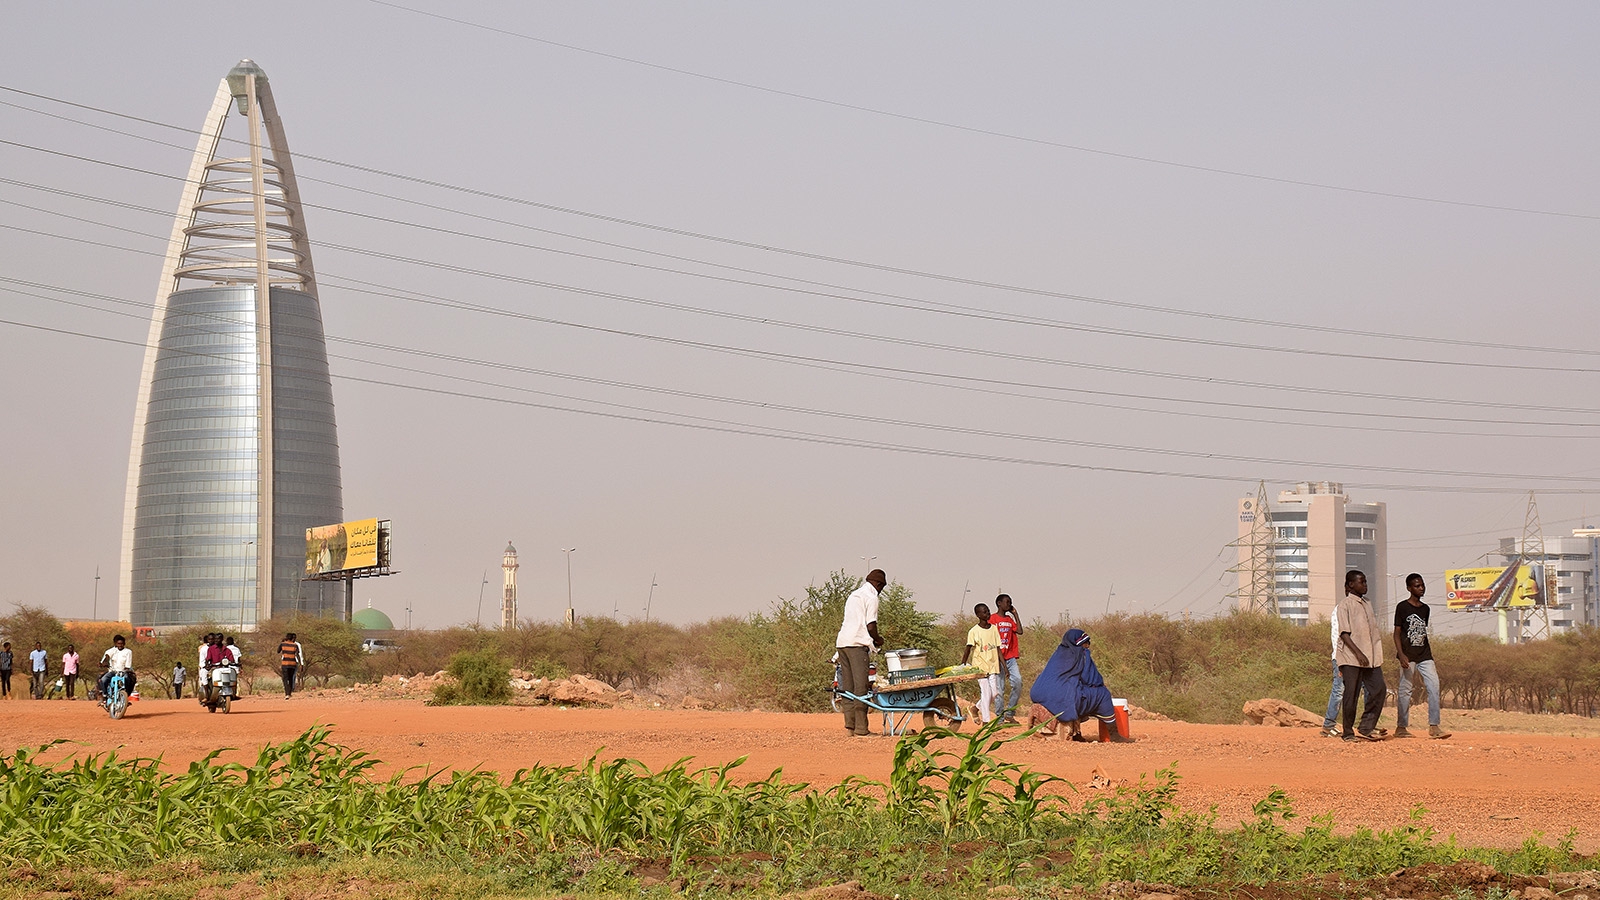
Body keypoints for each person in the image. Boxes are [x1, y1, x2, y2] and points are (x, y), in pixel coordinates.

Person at [1029, 628, 1131, 742]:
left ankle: (1076, 733)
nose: (1088, 646)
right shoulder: (1082, 654)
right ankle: (1114, 735)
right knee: (1102, 694)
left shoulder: (1058, 653)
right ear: (1080, 643)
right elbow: (1092, 679)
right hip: (1059, 695)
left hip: (1038, 694)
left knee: (1076, 689)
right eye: (1086, 643)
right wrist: (1101, 685)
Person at [1394, 573, 1452, 740]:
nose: (1421, 588)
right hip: (1408, 656)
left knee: (1434, 686)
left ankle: (1434, 726)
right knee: (1405, 690)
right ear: (1409, 588)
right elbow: (1397, 633)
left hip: (1425, 654)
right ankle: (1401, 727)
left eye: (1422, 585)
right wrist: (1401, 654)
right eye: (1417, 586)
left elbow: (1422, 631)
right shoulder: (1402, 607)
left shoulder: (1426, 609)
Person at [835, 568, 886, 737]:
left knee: (847, 687)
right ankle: (862, 729)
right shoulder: (871, 597)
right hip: (857, 645)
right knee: (860, 687)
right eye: (882, 587)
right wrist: (878, 640)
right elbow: (871, 626)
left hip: (842, 643)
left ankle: (850, 727)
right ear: (878, 584)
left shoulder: (854, 595)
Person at [1336, 570, 1386, 742]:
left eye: (1365, 582)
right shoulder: (1345, 605)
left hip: (1371, 658)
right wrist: (1358, 653)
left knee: (1379, 689)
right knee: (1352, 694)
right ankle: (1347, 733)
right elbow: (1344, 634)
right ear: (1351, 585)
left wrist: (1369, 654)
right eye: (1362, 582)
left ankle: (1365, 728)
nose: (1365, 585)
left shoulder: (1367, 603)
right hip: (1351, 657)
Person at [961, 602, 1003, 724]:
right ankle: (986, 721)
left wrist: (1004, 666)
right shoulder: (974, 631)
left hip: (993, 666)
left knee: (994, 693)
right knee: (986, 693)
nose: (988, 613)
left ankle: (975, 708)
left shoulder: (994, 629)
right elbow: (968, 648)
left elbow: (998, 649)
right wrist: (963, 664)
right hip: (980, 667)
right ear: (978, 615)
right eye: (984, 612)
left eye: (988, 611)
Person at [992, 594, 1023, 724]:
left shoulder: (1010, 620)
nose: (1009, 604)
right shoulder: (992, 619)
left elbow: (1020, 631)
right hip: (997, 658)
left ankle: (1010, 713)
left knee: (1018, 682)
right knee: (999, 689)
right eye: (1007, 602)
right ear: (999, 603)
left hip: (1010, 657)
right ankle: (999, 718)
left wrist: (1015, 614)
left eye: (1010, 602)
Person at [1319, 606, 1343, 737]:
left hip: (1355, 659)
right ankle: (1328, 725)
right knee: (1339, 690)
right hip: (1341, 657)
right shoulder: (1341, 609)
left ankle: (1368, 725)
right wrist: (1340, 659)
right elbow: (1338, 638)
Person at [98, 635, 137, 699]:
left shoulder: (128, 652)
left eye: (122, 644)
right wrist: (103, 663)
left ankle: (126, 695)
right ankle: (105, 695)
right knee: (103, 679)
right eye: (118, 643)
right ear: (115, 643)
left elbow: (128, 664)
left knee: (128, 679)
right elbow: (107, 657)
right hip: (113, 671)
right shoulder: (112, 651)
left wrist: (126, 669)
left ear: (124, 643)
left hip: (123, 672)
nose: (120, 645)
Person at [278, 632, 304, 699]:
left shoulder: (282, 644)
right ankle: (289, 693)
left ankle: (287, 693)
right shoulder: (295, 645)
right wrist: (301, 663)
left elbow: (278, 651)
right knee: (291, 678)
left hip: (285, 663)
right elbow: (297, 655)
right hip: (293, 664)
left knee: (285, 679)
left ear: (286, 637)